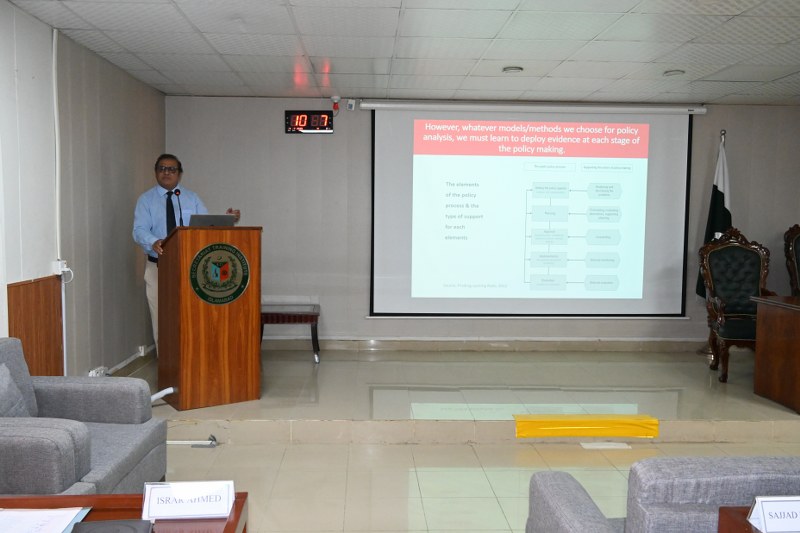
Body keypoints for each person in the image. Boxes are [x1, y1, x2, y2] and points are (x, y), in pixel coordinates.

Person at [133, 153, 240, 347]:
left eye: (171, 169)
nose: (166, 172)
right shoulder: (146, 200)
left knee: (192, 314)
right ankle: (165, 358)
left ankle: (192, 355)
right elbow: (139, 230)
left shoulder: (191, 198)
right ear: (156, 172)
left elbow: (206, 227)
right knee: (161, 316)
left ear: (179, 174)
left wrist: (226, 219)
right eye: (162, 169)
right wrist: (153, 241)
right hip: (158, 267)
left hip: (190, 267)